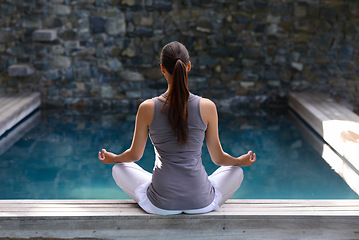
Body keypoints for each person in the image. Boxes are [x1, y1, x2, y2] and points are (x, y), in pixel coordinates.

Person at [98, 41, 256, 215]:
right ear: (188, 66)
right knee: (236, 171)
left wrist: (114, 158)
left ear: (163, 69)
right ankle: (194, 190)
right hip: (201, 201)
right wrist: (240, 161)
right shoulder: (207, 107)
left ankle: (164, 187)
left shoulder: (147, 108)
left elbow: (135, 155)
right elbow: (219, 159)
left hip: (161, 204)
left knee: (118, 167)